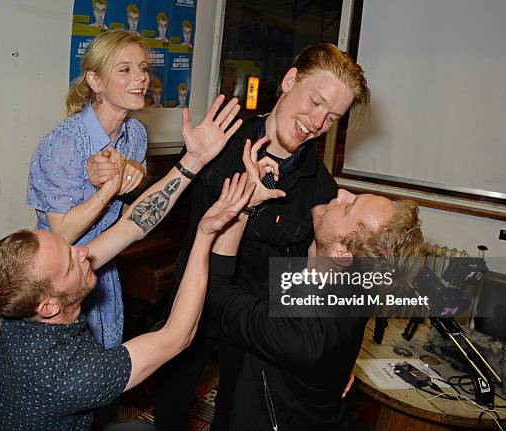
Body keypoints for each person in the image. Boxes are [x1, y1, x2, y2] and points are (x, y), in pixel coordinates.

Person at [0, 95, 246, 431]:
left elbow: (131, 226)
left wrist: (193, 161)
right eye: (69, 263)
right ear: (47, 306)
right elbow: (178, 335)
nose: (83, 251)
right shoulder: (71, 374)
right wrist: (206, 234)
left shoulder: (19, 304)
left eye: (68, 247)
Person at [152, 43, 371, 431]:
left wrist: (339, 355)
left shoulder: (321, 190)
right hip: (192, 301)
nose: (317, 122)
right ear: (289, 81)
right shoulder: (221, 141)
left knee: (234, 417)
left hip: (252, 323)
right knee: (169, 405)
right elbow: (159, 204)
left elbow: (324, 279)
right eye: (315, 101)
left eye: (332, 115)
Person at [202, 139, 424, 430]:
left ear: (343, 253)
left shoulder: (300, 333)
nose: (342, 192)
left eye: (349, 207)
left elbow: (216, 289)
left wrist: (243, 205)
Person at [27, 31, 150, 351]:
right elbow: (62, 233)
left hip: (105, 265)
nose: (140, 77)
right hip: (61, 274)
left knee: (104, 365)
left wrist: (136, 175)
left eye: (143, 68)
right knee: (68, 378)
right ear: (95, 81)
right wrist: (107, 189)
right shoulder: (63, 143)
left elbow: (130, 207)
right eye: (125, 70)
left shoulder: (135, 134)